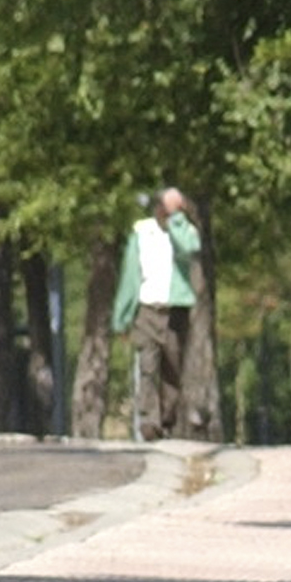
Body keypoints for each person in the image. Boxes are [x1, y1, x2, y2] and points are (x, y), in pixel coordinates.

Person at [111, 186, 200, 441]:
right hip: (147, 309)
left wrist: (177, 221)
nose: (165, 212)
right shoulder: (142, 232)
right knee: (148, 367)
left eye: (172, 208)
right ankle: (149, 422)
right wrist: (123, 316)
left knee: (172, 368)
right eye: (164, 206)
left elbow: (188, 248)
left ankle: (167, 419)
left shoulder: (187, 232)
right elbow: (130, 276)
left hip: (175, 311)